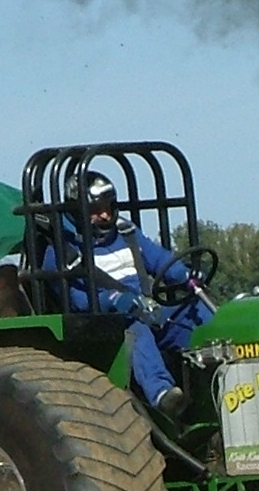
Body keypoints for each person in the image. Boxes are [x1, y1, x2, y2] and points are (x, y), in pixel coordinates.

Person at [45, 172, 211, 419]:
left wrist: (187, 276)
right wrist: (114, 300)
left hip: (147, 307)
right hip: (106, 322)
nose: (104, 215)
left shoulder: (127, 232)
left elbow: (160, 259)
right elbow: (77, 301)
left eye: (108, 208)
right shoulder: (61, 252)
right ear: (77, 209)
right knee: (135, 329)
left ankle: (220, 377)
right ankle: (162, 394)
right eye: (96, 209)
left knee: (194, 311)